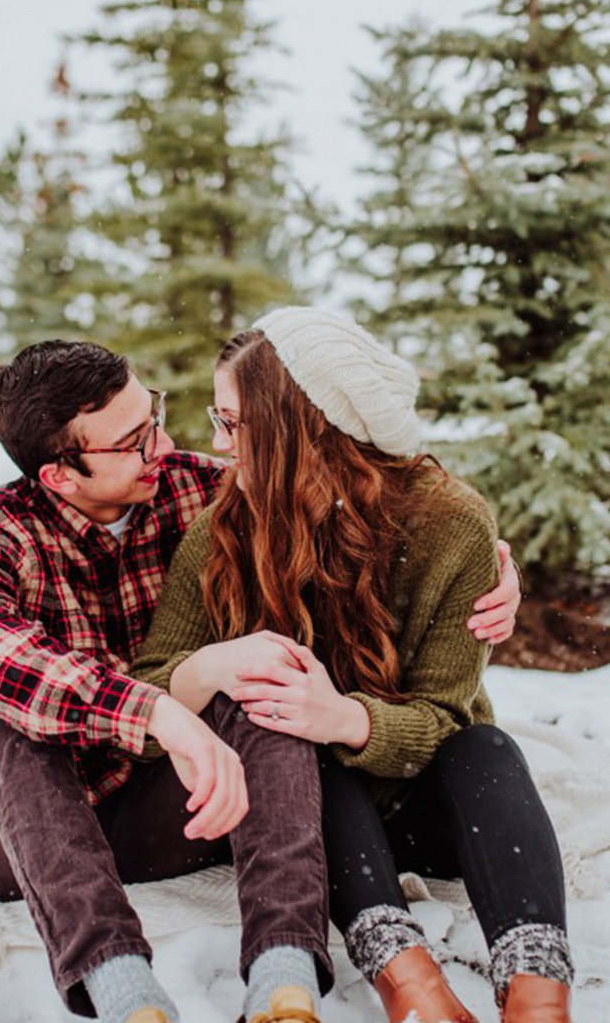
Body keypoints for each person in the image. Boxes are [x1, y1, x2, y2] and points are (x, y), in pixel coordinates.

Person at [0, 340, 521, 1023]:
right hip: (21, 830)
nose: (164, 442)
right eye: (132, 441)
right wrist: (157, 710)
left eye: (152, 414)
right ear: (61, 474)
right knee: (1, 710)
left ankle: (283, 977)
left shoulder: (200, 488)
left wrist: (489, 570)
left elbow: (343, 508)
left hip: (168, 808)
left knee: (266, 676)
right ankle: (123, 988)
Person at [131, 308, 572, 1023]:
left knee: (487, 748)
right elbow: (145, 693)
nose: (216, 445)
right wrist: (214, 663)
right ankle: (412, 989)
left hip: (427, 809)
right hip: (307, 823)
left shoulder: (449, 522)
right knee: (304, 759)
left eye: (233, 423)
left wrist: (344, 716)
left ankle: (537, 998)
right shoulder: (223, 531)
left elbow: (447, 715)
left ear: (302, 424)